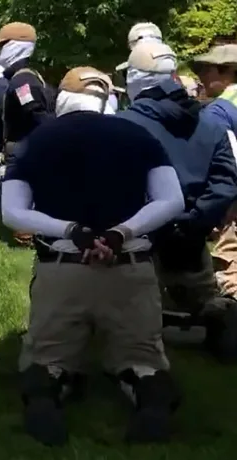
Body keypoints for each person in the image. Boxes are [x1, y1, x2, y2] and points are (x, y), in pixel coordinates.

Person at [1, 66, 186, 446]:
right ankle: (150, 404)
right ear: (106, 98)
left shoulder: (35, 141)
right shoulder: (140, 135)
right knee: (143, 359)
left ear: (63, 98)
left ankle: (46, 399)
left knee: (46, 360)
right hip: (129, 267)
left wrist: (73, 231)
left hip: (63, 267)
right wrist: (120, 234)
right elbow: (172, 201)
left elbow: (12, 212)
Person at [119, 42, 237, 361]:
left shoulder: (124, 126)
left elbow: (114, 183)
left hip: (143, 236)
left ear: (136, 78)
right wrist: (195, 222)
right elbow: (225, 182)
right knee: (203, 297)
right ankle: (215, 326)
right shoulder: (211, 124)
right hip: (194, 232)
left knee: (136, 306)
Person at [0, 23, 53, 247]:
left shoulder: (22, 81)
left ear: (15, 47)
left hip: (26, 152)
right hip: (27, 150)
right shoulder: (22, 77)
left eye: (1, 46)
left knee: (23, 203)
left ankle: (32, 239)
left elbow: (35, 112)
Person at [193, 45, 237, 302]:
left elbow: (228, 163)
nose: (201, 76)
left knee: (230, 270)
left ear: (228, 72)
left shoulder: (219, 110)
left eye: (206, 69)